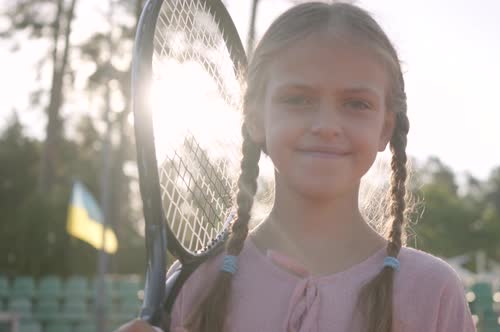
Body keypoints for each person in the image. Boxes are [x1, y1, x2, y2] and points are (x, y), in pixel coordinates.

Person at [118, 2, 476, 332]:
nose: (326, 125)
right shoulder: (195, 285)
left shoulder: (433, 291)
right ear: (256, 119)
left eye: (356, 103)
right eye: (298, 99)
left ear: (385, 128)